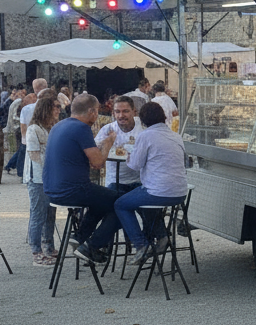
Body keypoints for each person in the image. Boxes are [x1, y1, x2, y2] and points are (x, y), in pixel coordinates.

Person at [42, 93, 120, 265]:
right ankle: (92, 246)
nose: (98, 115)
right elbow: (98, 163)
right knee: (123, 203)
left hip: (52, 190)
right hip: (73, 190)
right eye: (97, 111)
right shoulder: (81, 128)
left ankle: (79, 236)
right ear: (92, 111)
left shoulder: (59, 126)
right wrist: (107, 144)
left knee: (104, 199)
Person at [114, 101, 188, 262]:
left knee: (120, 204)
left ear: (143, 120)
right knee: (144, 201)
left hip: (158, 192)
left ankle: (141, 244)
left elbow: (135, 165)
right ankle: (159, 235)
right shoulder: (176, 136)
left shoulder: (146, 136)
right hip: (180, 192)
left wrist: (129, 155)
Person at [24, 93, 62, 266]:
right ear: (47, 109)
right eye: (56, 107)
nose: (59, 110)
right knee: (38, 214)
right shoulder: (34, 129)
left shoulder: (52, 127)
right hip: (38, 177)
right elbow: (34, 155)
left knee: (50, 213)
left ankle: (49, 246)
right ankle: (36, 251)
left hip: (50, 177)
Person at [95, 96, 144, 192]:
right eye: (117, 112)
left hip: (140, 181)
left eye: (125, 111)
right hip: (115, 181)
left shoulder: (143, 127)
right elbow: (95, 153)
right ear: (113, 113)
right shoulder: (108, 130)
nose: (121, 115)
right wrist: (107, 142)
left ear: (134, 112)